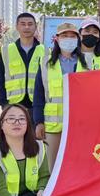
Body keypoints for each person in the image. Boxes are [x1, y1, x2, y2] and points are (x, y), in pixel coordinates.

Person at [33, 23, 88, 171]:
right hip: (53, 127)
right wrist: (38, 122)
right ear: (57, 39)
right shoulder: (46, 63)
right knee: (53, 166)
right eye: (64, 36)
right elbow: (38, 96)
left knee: (78, 165)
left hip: (80, 125)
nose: (68, 39)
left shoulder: (87, 63)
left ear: (78, 39)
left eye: (72, 36)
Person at [0, 13, 45, 121]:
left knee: (35, 138)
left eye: (30, 24)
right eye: (23, 24)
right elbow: (0, 79)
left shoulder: (45, 51)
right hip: (13, 105)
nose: (27, 27)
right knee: (14, 137)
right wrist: (4, 104)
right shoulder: (6, 51)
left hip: (37, 106)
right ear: (17, 27)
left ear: (35, 27)